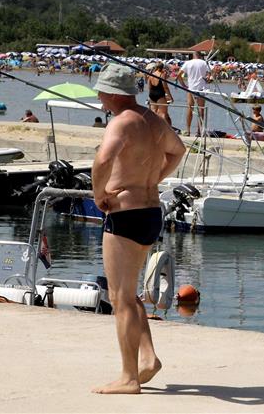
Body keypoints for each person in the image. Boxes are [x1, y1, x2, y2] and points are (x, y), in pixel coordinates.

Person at [91, 63, 186, 395]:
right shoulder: (151, 119)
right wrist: (154, 179)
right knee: (129, 294)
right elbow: (178, 150)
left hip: (125, 215)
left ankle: (129, 377)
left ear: (114, 94)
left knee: (119, 299)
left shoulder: (121, 122)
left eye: (102, 91)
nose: (100, 96)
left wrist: (99, 193)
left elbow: (103, 160)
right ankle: (147, 358)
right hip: (150, 212)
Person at [178, 51, 209, 136]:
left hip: (190, 88)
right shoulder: (204, 63)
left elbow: (178, 75)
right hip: (201, 89)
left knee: (190, 109)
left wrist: (184, 85)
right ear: (200, 56)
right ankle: (199, 132)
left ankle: (188, 130)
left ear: (193, 56)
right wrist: (208, 79)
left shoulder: (188, 63)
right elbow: (210, 74)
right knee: (201, 110)